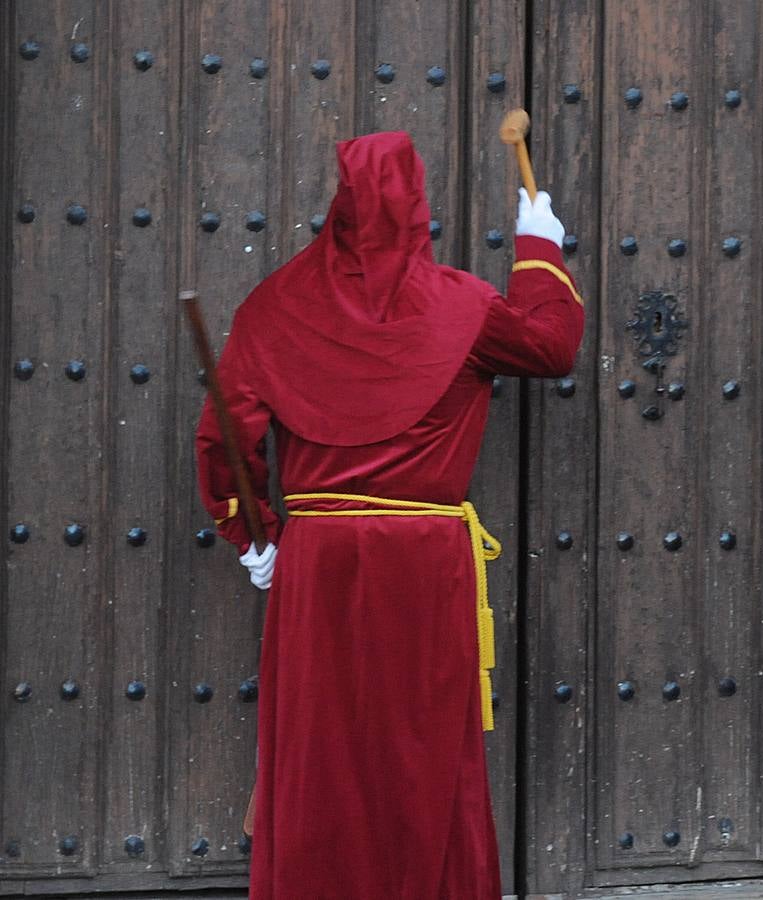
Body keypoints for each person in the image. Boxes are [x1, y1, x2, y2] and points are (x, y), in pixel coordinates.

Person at [196, 131, 583, 899]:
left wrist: (253, 536)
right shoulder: (462, 306)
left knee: (321, 747)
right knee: (421, 746)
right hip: (421, 560)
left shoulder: (273, 307)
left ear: (338, 211)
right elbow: (550, 345)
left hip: (317, 561)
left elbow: (226, 436)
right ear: (418, 213)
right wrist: (540, 247)